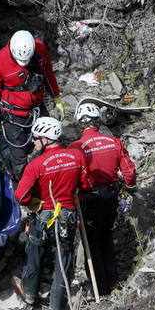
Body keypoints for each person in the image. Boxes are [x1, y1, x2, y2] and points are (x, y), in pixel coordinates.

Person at [13, 117, 92, 310]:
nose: (32, 141)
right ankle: (57, 305)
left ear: (46, 139)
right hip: (67, 215)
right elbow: (86, 185)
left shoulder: (36, 164)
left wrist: (33, 203)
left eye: (35, 137)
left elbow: (20, 196)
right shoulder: (77, 156)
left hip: (42, 215)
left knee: (34, 253)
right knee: (63, 258)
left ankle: (30, 295)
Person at [67, 103, 136, 296]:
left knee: (92, 242)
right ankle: (113, 281)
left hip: (88, 199)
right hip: (110, 196)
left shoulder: (75, 148)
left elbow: (70, 178)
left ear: (81, 125)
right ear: (98, 121)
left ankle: (101, 289)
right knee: (106, 236)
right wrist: (130, 187)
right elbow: (129, 172)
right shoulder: (113, 142)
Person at [0, 30, 65, 181]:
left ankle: (52, 177)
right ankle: (23, 187)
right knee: (19, 155)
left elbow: (48, 73)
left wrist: (56, 98)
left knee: (50, 142)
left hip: (37, 108)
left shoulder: (39, 49)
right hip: (14, 114)